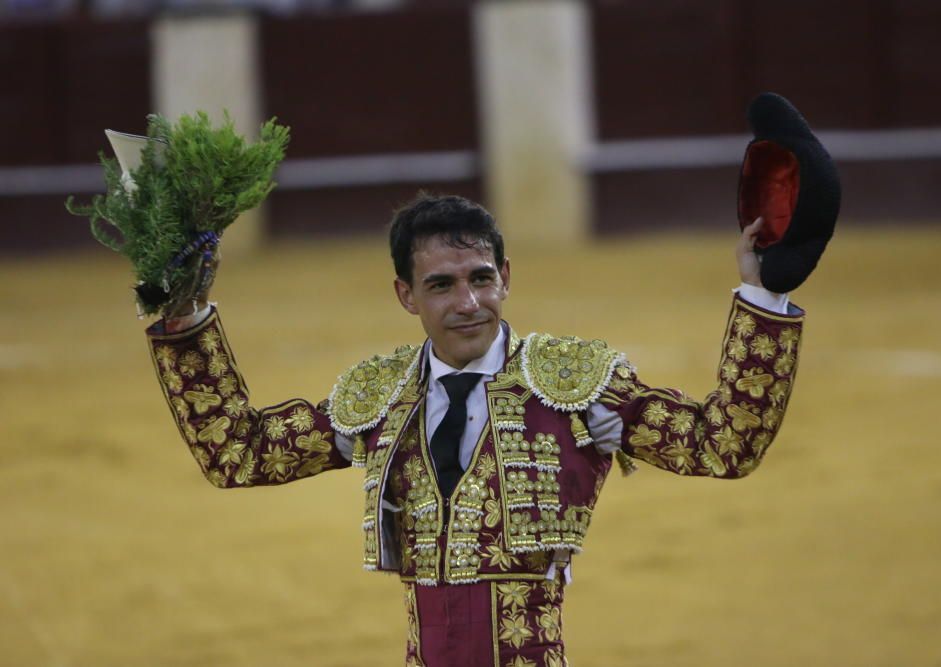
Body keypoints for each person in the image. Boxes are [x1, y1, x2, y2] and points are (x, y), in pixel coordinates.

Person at [146, 193, 804, 666]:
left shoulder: (573, 384)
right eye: (441, 285)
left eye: (481, 278)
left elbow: (724, 443)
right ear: (406, 294)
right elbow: (241, 452)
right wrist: (185, 319)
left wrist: (762, 297)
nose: (468, 302)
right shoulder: (380, 398)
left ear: (506, 278)